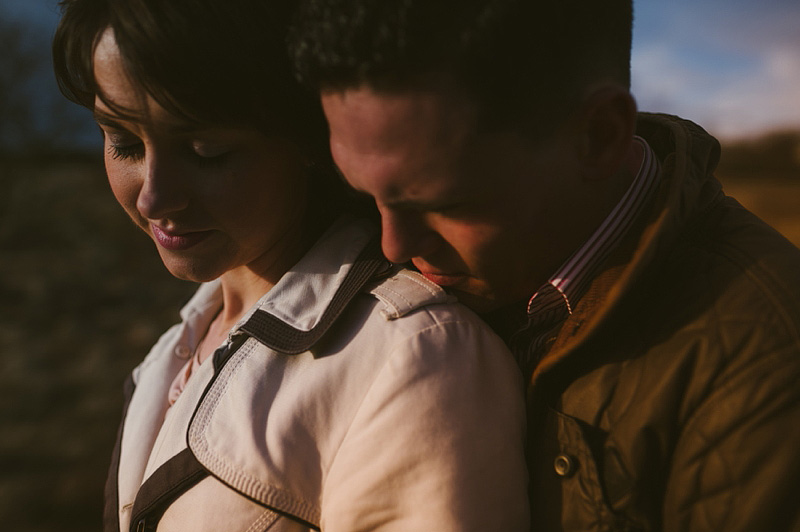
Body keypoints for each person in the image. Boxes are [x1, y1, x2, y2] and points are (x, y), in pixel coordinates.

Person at [289, 1, 800, 530]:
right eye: (367, 195)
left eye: (445, 205)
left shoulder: (767, 371)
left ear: (599, 136)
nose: (393, 246)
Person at [52, 1, 530, 531]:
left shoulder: (419, 354)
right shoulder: (173, 350)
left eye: (207, 152)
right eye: (122, 142)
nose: (154, 198)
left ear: (305, 135)